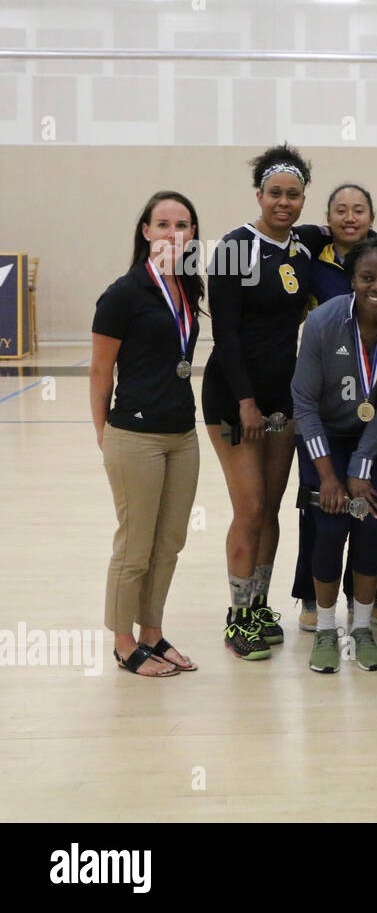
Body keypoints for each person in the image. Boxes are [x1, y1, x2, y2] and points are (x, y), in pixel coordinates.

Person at [202, 144, 328, 660]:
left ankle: (258, 607)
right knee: (249, 508)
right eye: (274, 193)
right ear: (259, 195)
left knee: (272, 508)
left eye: (293, 195)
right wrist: (246, 402)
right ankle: (236, 617)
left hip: (286, 395)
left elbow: (343, 236)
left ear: (303, 199)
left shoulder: (303, 248)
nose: (283, 202)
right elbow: (226, 335)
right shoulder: (234, 248)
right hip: (236, 397)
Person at [291, 237, 377, 673]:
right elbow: (304, 406)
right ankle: (326, 629)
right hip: (324, 440)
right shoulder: (322, 322)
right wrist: (329, 477)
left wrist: (361, 469)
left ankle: (362, 627)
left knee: (369, 530)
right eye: (367, 278)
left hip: (375, 440)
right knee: (328, 532)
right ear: (352, 279)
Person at [91, 191, 204, 677]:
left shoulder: (188, 289)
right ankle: (122, 641)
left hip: (182, 434)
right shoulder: (123, 293)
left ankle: (152, 633)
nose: (173, 233)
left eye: (183, 224)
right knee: (135, 545)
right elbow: (100, 373)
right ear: (145, 231)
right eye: (163, 224)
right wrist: (105, 435)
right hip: (134, 436)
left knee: (169, 542)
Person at [290, 183, 377, 631]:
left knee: (371, 509)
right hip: (323, 406)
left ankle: (368, 599)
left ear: (372, 218)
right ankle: (314, 600)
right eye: (340, 211)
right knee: (322, 512)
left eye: (359, 210)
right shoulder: (310, 259)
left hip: (373, 416)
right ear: (327, 218)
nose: (349, 217)